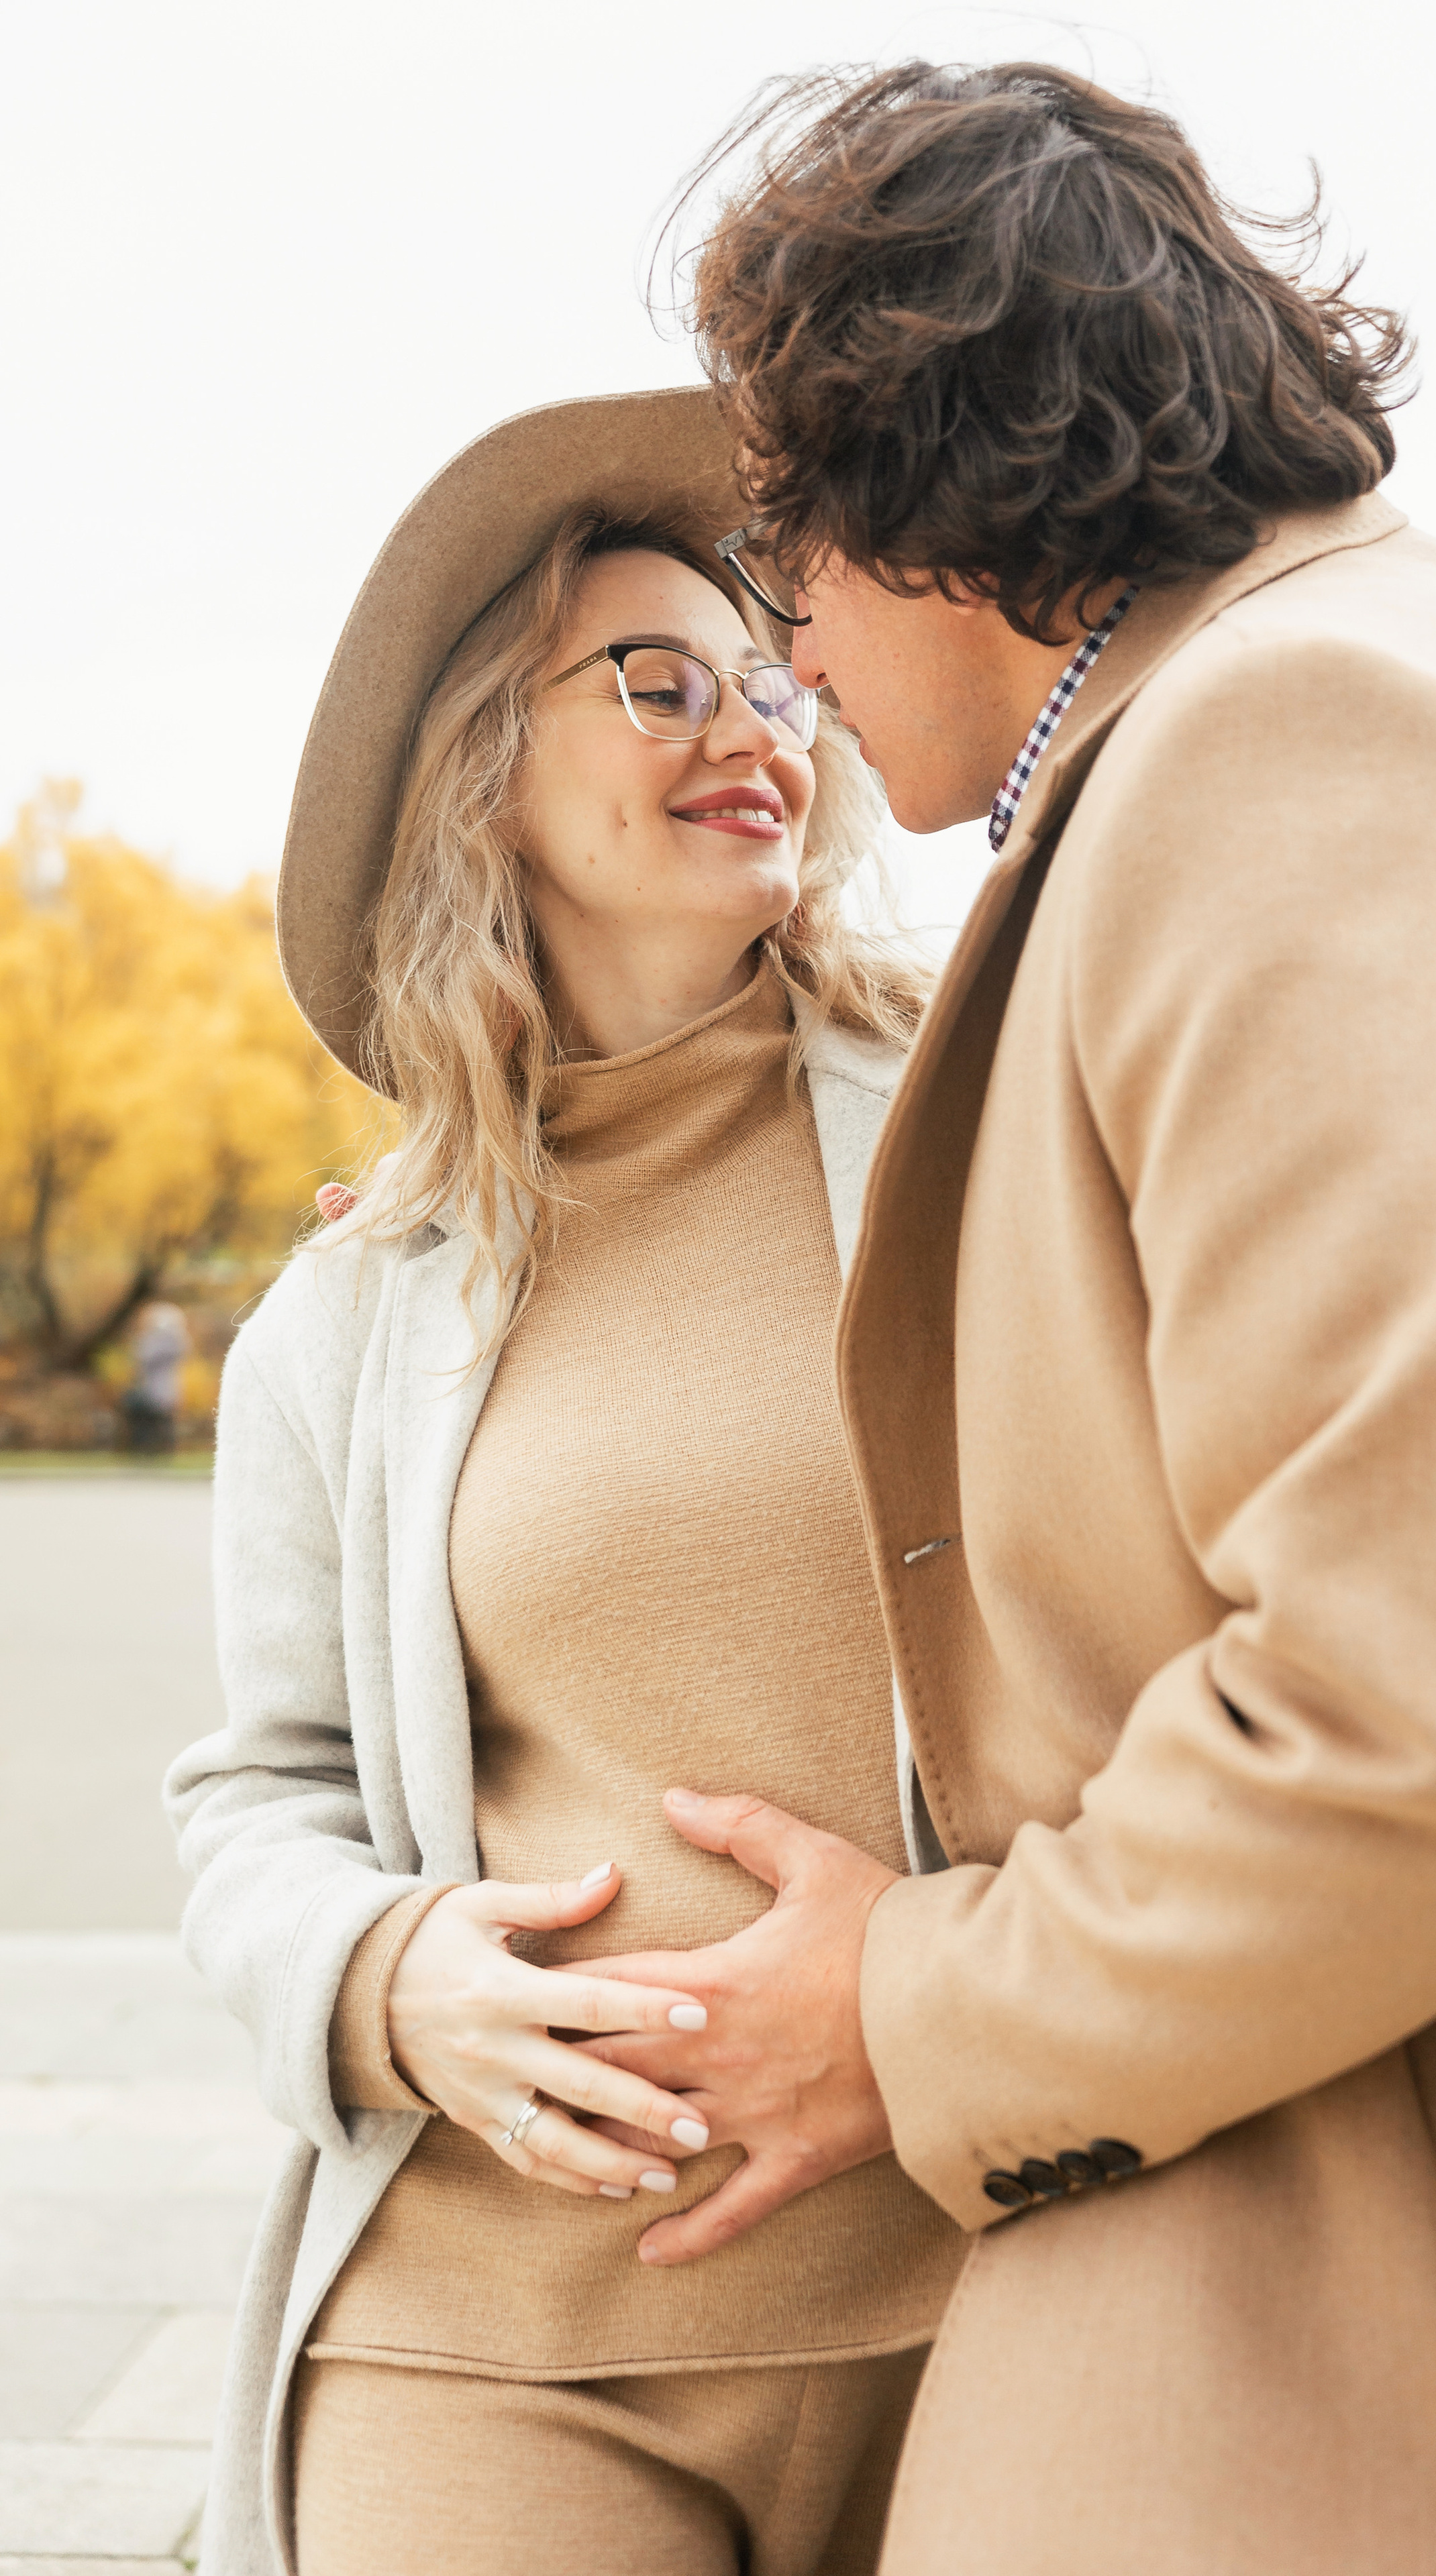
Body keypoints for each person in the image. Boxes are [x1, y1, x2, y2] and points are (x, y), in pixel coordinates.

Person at [562, 63, 1436, 2571]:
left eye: (792, 551)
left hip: (1426, 2335)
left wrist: (903, 2012)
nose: (792, 648)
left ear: (925, 475)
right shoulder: (1336, 697)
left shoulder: (1301, 744)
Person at [164, 392, 964, 2576]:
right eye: (656, 680)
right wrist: (379, 1976)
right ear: (484, 778)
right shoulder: (348, 1314)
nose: (755, 724)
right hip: (486, 2337)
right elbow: (261, 1794)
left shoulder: (984, 1138)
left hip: (990, 2290)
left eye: (775, 675)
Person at [121, 1298, 190, 1452]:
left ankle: (157, 1449)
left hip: (158, 1391)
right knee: (152, 1423)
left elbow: (143, 1357)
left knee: (159, 1423)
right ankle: (150, 1449)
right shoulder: (168, 1343)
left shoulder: (165, 1343)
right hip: (154, 1390)